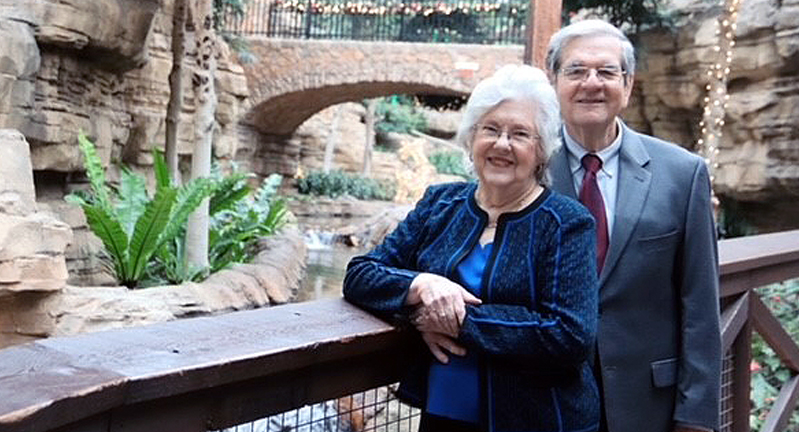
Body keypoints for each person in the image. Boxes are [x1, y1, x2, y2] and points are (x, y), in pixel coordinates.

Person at [344, 65, 600, 432]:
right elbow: (360, 274)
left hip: (538, 421)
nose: (502, 144)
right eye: (491, 129)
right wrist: (422, 289)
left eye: (520, 134)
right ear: (471, 138)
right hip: (444, 415)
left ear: (541, 150)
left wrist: (460, 321)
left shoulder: (565, 222)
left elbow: (569, 335)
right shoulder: (441, 204)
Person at [545, 19, 721, 432]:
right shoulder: (528, 170)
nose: (592, 83)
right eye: (576, 71)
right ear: (552, 81)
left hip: (649, 405)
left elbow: (700, 303)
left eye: (606, 71)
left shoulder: (683, 173)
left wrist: (695, 415)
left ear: (628, 84)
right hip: (545, 400)